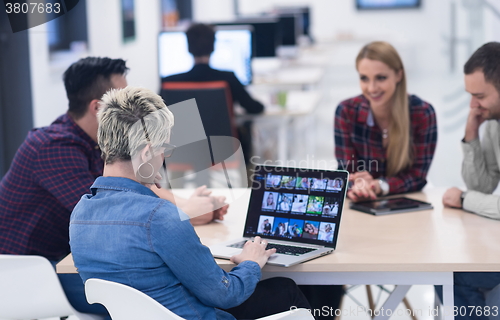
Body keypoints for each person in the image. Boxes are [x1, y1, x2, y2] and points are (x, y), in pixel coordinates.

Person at [0, 57, 227, 316]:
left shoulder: (96, 143)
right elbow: (116, 210)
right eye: (120, 100)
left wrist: (187, 206)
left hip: (62, 262)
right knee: (168, 290)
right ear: (98, 107)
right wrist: (186, 209)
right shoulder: (54, 148)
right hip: (29, 273)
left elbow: (134, 187)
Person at [69, 86, 311, 320]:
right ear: (146, 153)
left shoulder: (80, 214)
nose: (163, 158)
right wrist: (250, 262)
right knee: (287, 290)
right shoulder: (160, 217)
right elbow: (226, 293)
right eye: (164, 149)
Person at [335, 41, 437, 202]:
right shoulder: (346, 112)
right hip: (362, 205)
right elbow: (344, 175)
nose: (372, 88)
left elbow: (418, 177)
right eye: (364, 78)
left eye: (380, 78)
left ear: (398, 75)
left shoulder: (422, 113)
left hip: (406, 204)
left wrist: (380, 185)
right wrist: (356, 185)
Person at [442, 42, 500, 320]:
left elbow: (474, 195)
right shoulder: (493, 125)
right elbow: (483, 185)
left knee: (453, 279)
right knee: (443, 272)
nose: (472, 105)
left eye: (479, 96)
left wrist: (465, 199)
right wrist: (471, 135)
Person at [162, 23, 264, 165]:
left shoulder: (168, 82)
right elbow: (255, 108)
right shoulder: (228, 78)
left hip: (183, 153)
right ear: (213, 47)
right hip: (224, 151)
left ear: (188, 48)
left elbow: (158, 115)